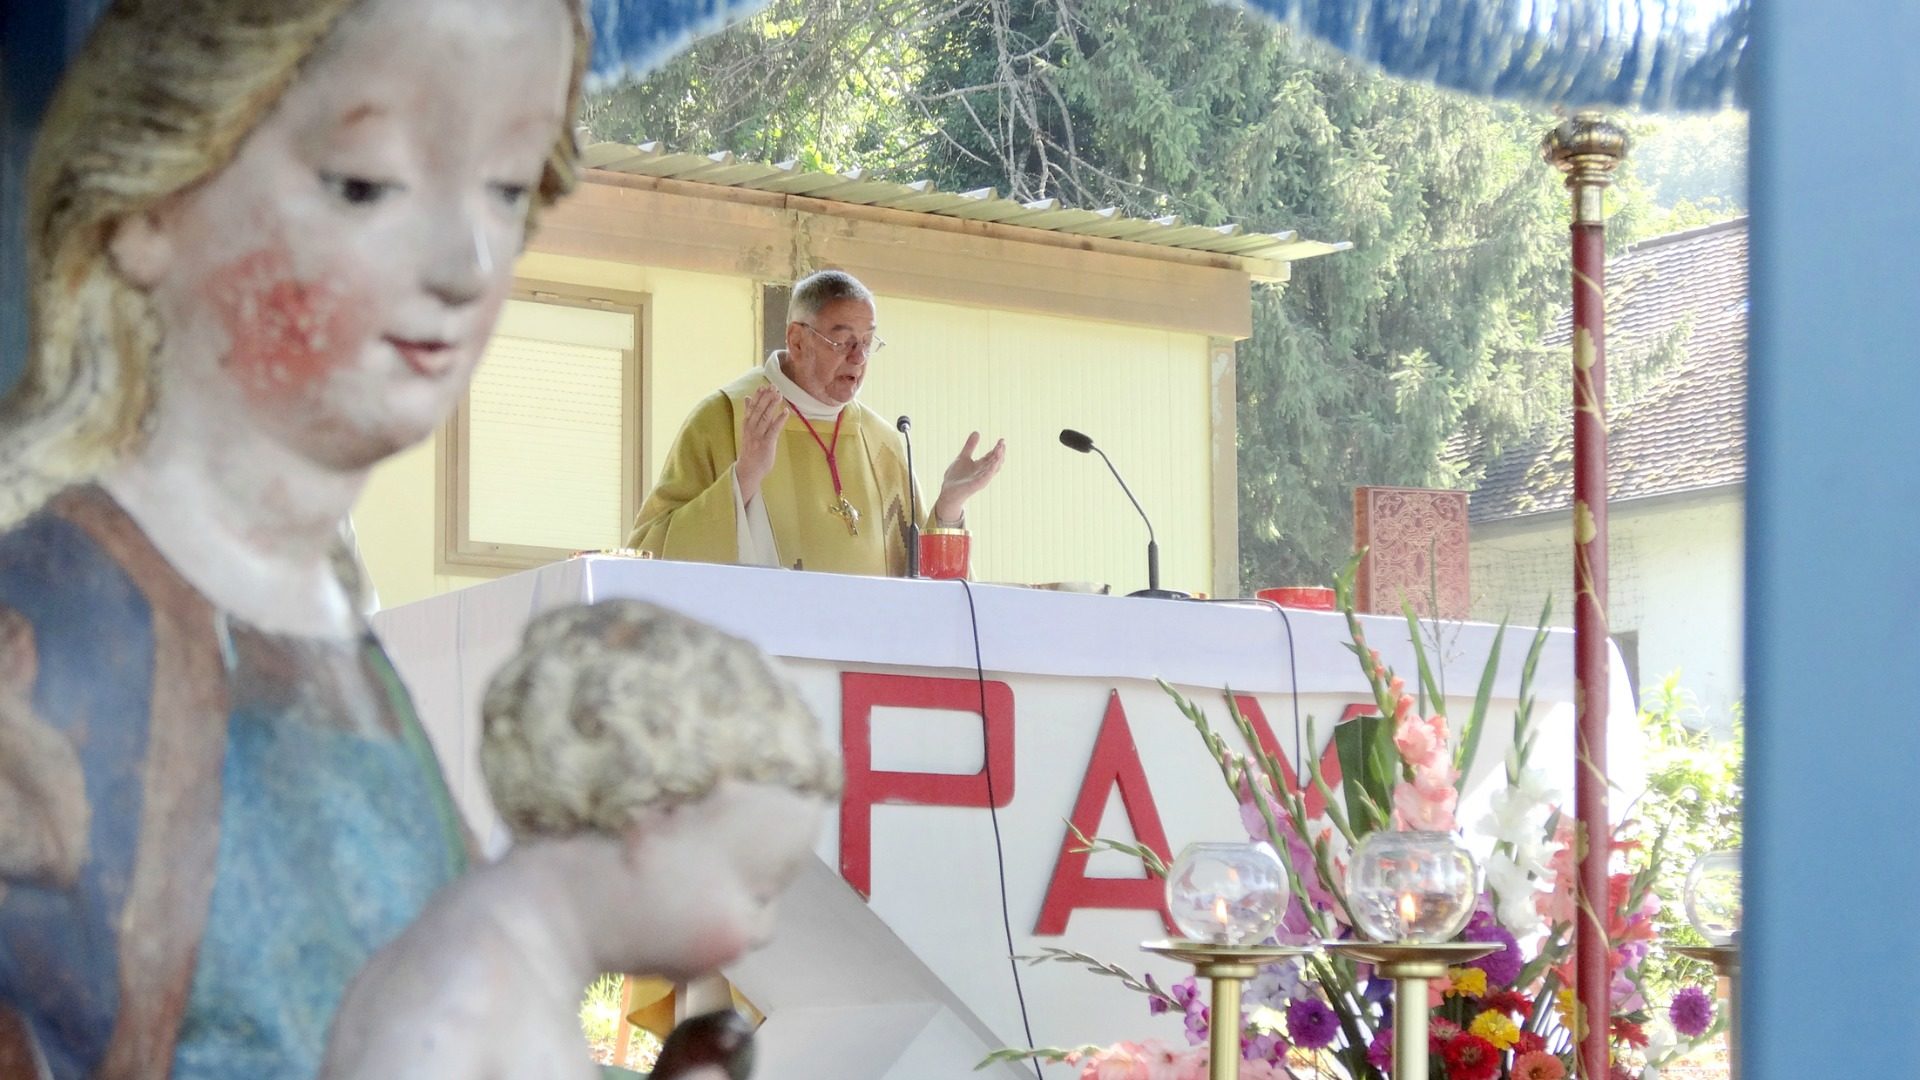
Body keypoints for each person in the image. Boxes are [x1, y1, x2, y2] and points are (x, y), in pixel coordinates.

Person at [0, 0, 586, 1076]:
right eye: (364, 184)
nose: (464, 260)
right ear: (151, 201)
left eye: (509, 188)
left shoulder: (326, 623)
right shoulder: (54, 632)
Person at [319, 600, 842, 1080]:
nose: (765, 930)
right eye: (759, 891)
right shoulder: (463, 991)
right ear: (654, 819)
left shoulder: (523, 974)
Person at [629, 270, 1007, 575]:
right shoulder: (725, 418)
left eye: (868, 341)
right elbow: (647, 552)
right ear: (797, 340)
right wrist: (743, 478)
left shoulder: (883, 444)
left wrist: (949, 507)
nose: (859, 358)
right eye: (842, 342)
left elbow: (924, 586)